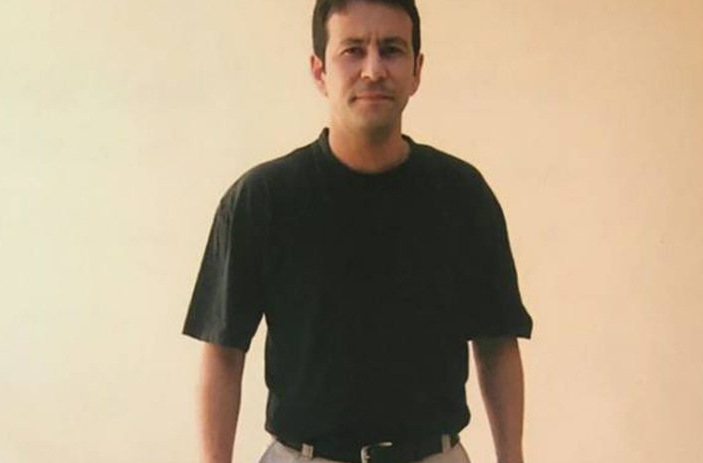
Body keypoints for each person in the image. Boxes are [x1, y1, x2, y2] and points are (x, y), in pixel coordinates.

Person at [182, 1, 533, 462]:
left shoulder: (463, 195)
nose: (373, 70)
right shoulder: (261, 200)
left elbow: (497, 343)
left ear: (416, 70)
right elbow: (222, 353)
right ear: (319, 71)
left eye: (391, 49)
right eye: (352, 50)